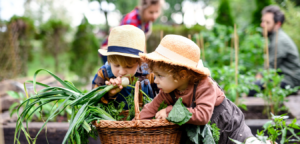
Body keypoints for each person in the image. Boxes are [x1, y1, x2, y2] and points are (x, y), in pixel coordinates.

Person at [136, 34, 264, 144]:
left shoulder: (205, 85)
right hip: (206, 132)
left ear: (182, 75)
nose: (155, 80)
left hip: (228, 126)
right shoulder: (166, 91)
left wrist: (170, 112)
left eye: (160, 76)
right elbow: (150, 109)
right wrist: (134, 125)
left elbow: (202, 116)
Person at [92, 25, 158, 110]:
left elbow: (164, 94)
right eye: (116, 65)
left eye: (129, 66)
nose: (122, 72)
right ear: (109, 61)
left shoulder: (149, 73)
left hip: (145, 121)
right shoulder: (103, 74)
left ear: (139, 62)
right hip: (115, 122)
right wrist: (108, 94)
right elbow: (93, 101)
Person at [248, 5, 300, 96]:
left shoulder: (279, 41)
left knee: (251, 89)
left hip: (290, 81)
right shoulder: (276, 37)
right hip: (283, 78)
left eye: (267, 22)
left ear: (278, 24)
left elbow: (269, 68)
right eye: (262, 21)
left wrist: (253, 83)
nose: (262, 25)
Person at [99, 0, 165, 63]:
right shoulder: (132, 20)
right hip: (111, 51)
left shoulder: (146, 21)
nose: (154, 16)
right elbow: (130, 46)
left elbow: (142, 42)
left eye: (157, 12)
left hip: (125, 51)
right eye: (151, 12)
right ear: (143, 9)